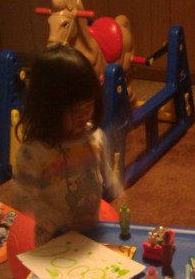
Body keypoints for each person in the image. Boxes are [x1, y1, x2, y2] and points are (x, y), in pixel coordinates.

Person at [11, 44, 122, 245]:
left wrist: (115, 187)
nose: (85, 115)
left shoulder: (94, 136)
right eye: (74, 110)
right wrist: (43, 211)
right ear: (47, 109)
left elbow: (103, 168)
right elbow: (21, 197)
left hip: (90, 228)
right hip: (53, 237)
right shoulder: (35, 152)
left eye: (89, 104)